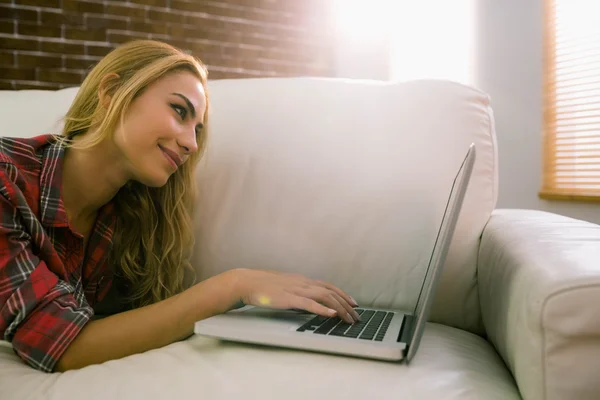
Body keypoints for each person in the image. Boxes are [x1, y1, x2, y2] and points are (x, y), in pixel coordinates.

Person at [0, 40, 360, 373]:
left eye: (198, 130)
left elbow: (127, 325)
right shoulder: (6, 180)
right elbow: (63, 347)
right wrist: (233, 285)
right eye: (178, 110)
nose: (190, 143)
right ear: (111, 92)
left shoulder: (130, 215)